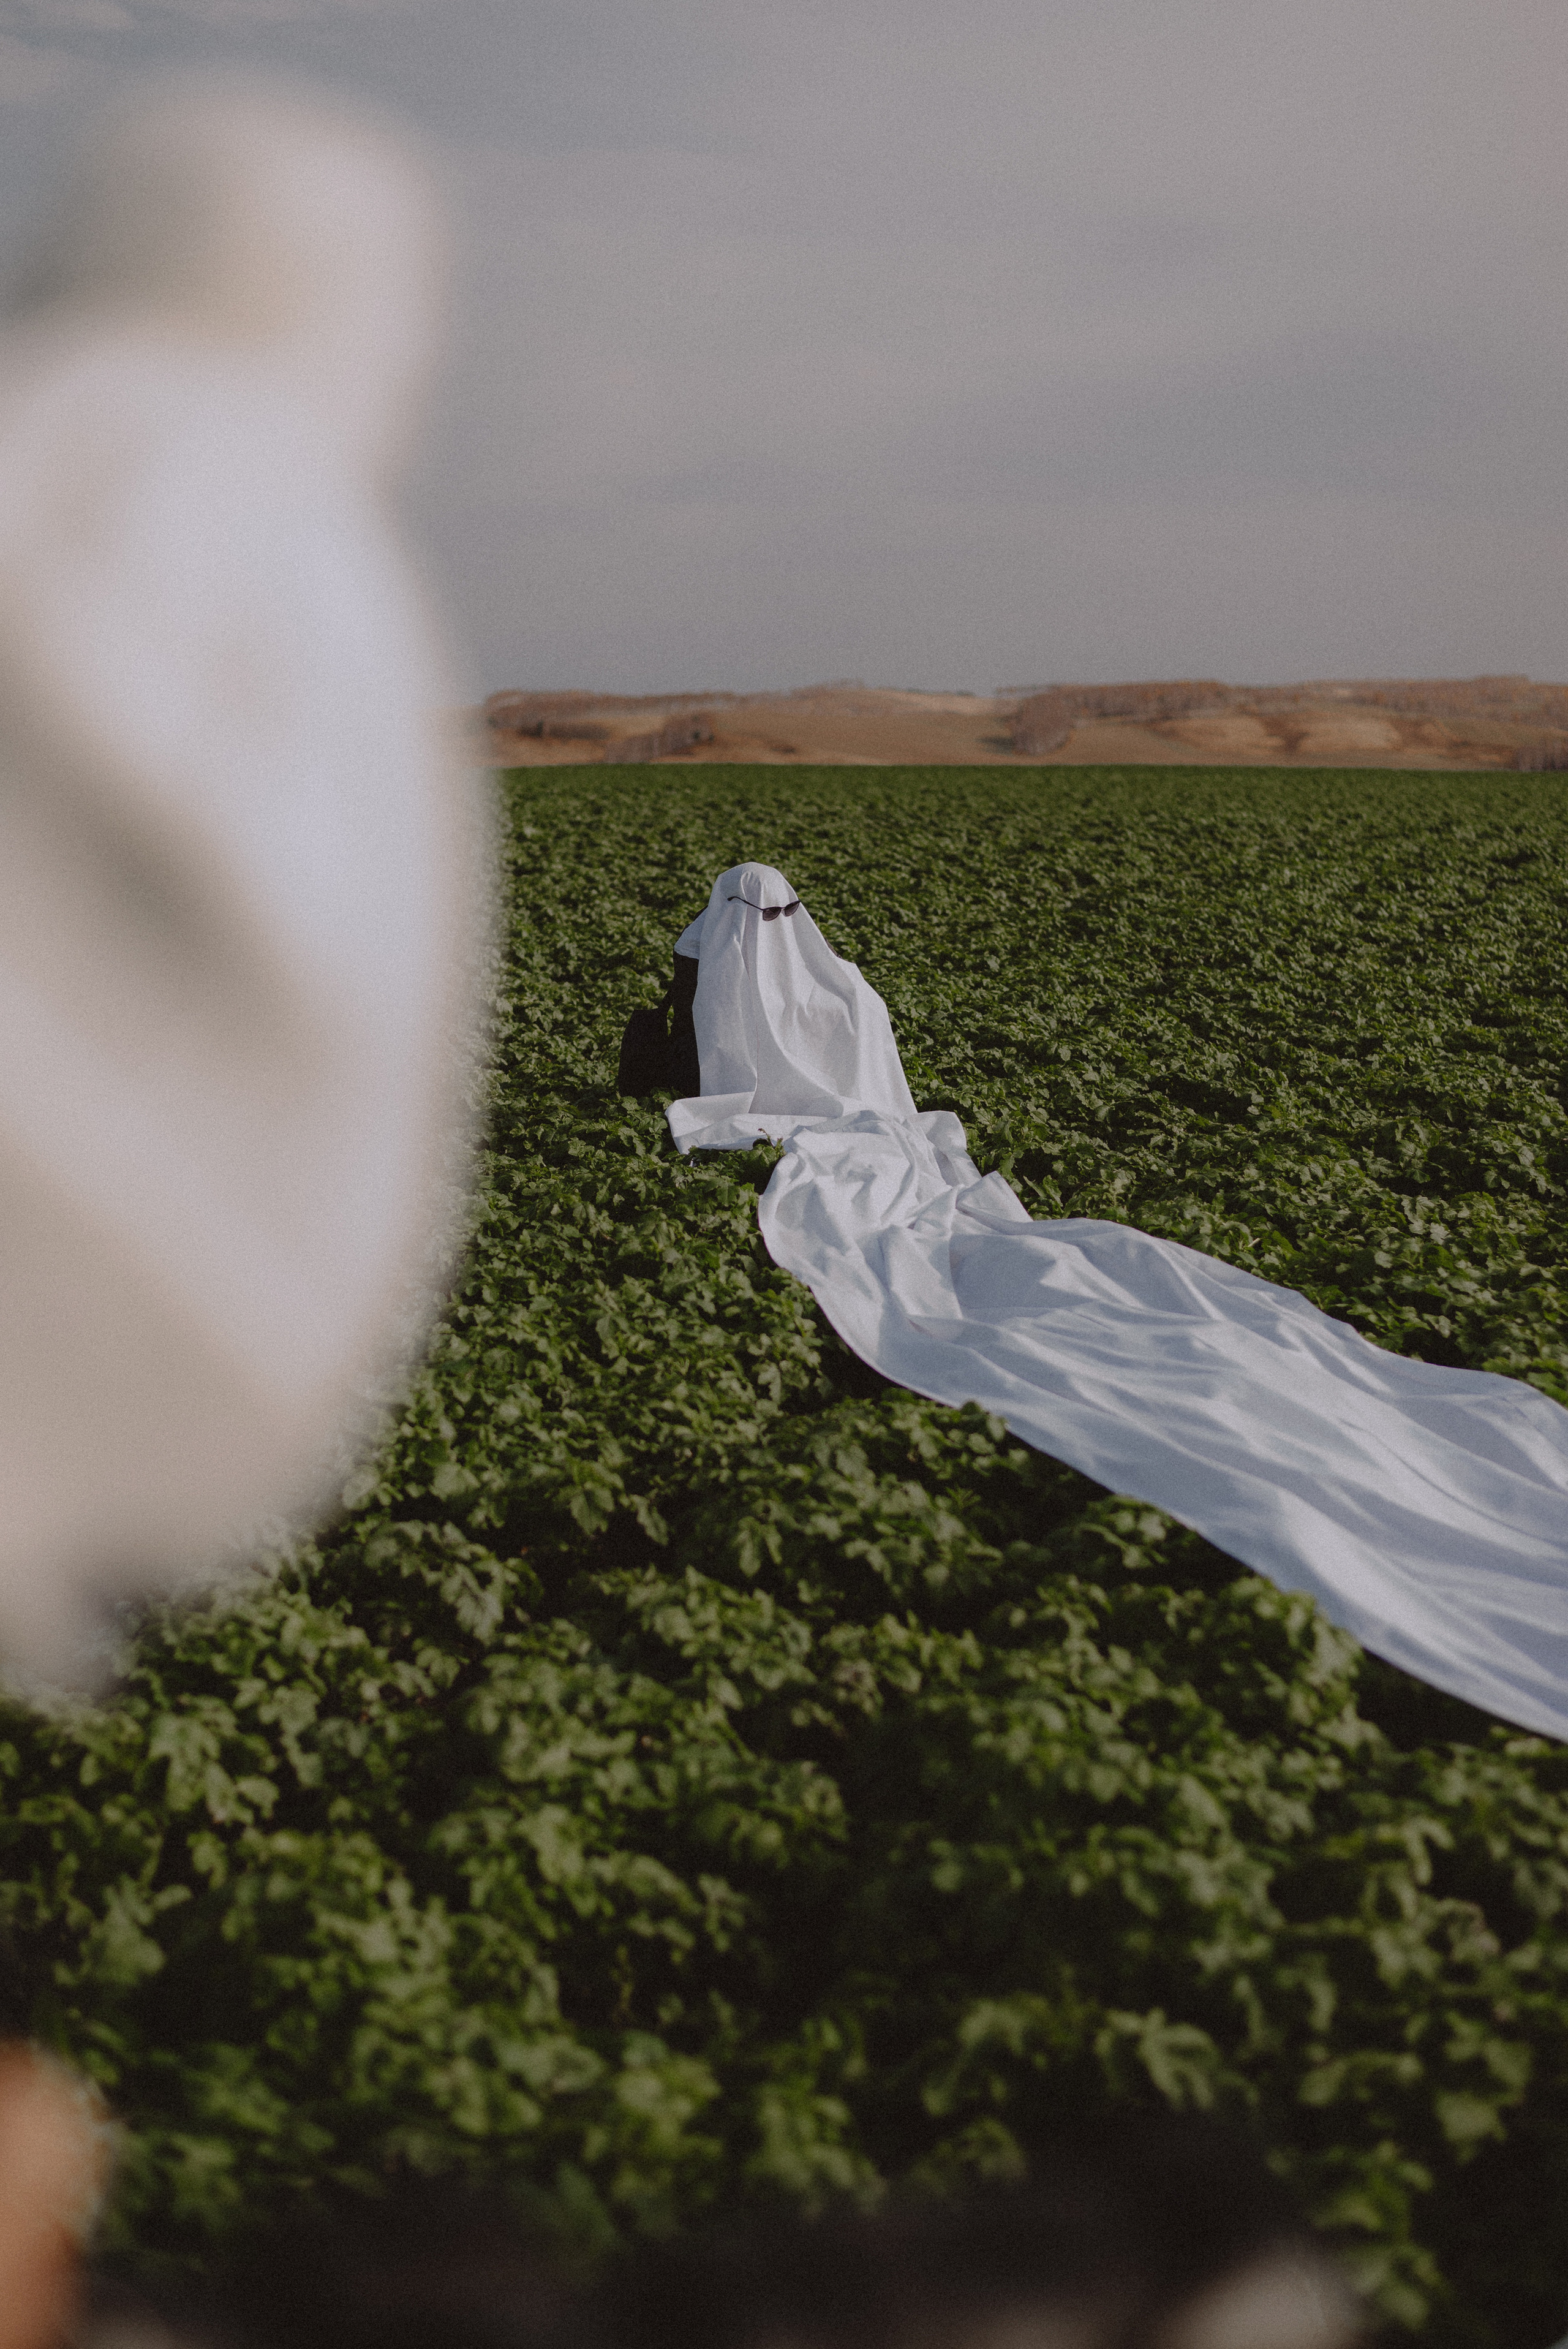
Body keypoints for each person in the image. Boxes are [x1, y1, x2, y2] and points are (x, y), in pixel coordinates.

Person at [665, 864, 1568, 1744]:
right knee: (1147, 1297)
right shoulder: (850, 991)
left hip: (872, 1165)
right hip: (911, 1163)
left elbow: (720, 1084)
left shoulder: (730, 982)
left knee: (1073, 1320)